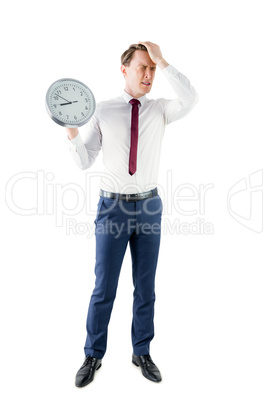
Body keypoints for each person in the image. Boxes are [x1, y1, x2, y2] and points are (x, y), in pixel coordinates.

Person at [66, 41, 198, 386]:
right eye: (143, 66)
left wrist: (163, 59)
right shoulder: (103, 110)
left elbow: (191, 99)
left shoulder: (160, 109)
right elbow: (83, 161)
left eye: (152, 69)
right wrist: (71, 132)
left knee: (145, 286)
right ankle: (92, 355)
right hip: (112, 208)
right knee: (104, 287)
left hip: (150, 206)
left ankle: (142, 351)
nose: (149, 74)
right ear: (124, 69)